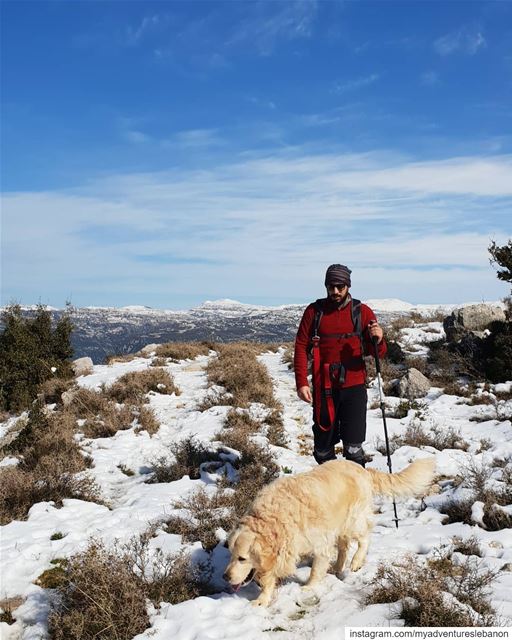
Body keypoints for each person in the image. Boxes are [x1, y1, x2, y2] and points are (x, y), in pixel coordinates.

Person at [294, 264, 386, 467]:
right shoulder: (314, 312)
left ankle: (356, 493)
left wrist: (378, 340)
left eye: (340, 286)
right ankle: (331, 493)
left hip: (354, 387)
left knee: (354, 449)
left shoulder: (362, 312)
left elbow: (378, 353)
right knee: (322, 449)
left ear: (348, 286)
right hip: (323, 387)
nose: (335, 291)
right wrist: (302, 382)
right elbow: (301, 346)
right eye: (331, 286)